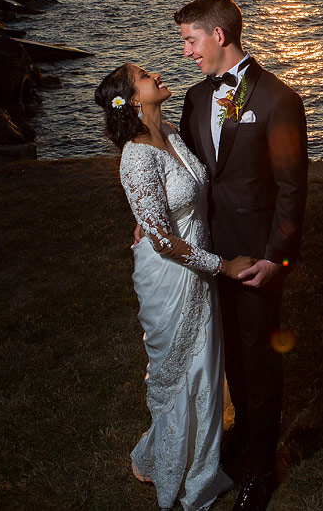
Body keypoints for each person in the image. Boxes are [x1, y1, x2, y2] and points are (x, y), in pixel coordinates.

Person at [95, 62, 254, 511]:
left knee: (204, 369)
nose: (157, 76)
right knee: (184, 372)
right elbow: (162, 240)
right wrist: (221, 266)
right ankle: (181, 472)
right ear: (131, 98)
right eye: (145, 76)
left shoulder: (169, 130)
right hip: (170, 275)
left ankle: (194, 464)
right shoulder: (136, 154)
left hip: (197, 266)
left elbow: (176, 200)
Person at [173, 0, 308, 511]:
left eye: (190, 40)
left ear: (219, 36)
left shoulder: (278, 100)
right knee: (228, 350)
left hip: (256, 259)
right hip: (210, 255)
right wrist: (153, 223)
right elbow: (188, 173)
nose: (186, 52)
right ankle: (244, 434)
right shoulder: (192, 97)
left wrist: (277, 257)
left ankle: (261, 466)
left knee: (259, 358)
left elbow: (292, 188)